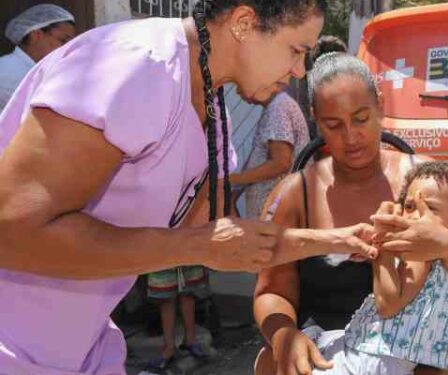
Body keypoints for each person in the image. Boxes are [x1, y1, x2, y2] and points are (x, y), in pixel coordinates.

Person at [0, 1, 382, 374]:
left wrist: (339, 240)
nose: (299, 71)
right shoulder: (135, 65)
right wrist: (196, 246)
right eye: (295, 50)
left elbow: (234, 241)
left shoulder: (211, 107)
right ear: (244, 23)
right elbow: (11, 231)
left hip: (82, 345)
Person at [253, 53, 448, 375]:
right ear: (316, 119)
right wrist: (284, 336)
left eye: (361, 118)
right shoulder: (296, 194)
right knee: (268, 363)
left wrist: (443, 243)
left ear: (380, 105)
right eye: (333, 125)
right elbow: (272, 291)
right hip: (330, 350)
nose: (350, 137)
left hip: (418, 352)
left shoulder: (427, 182)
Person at [302, 160, 448, 375]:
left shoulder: (419, 252)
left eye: (430, 208)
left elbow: (387, 304)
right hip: (398, 361)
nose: (415, 216)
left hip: (373, 357)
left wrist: (381, 248)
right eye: (409, 206)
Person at [230, 91, 310, 220]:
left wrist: (235, 179)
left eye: (239, 87)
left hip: (277, 215)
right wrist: (235, 190)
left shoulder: (278, 108)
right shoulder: (274, 107)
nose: (239, 92)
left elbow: (280, 164)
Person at [0, 4, 76, 112]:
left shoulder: (50, 71)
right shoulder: (5, 70)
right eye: (63, 40)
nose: (66, 48)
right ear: (35, 35)